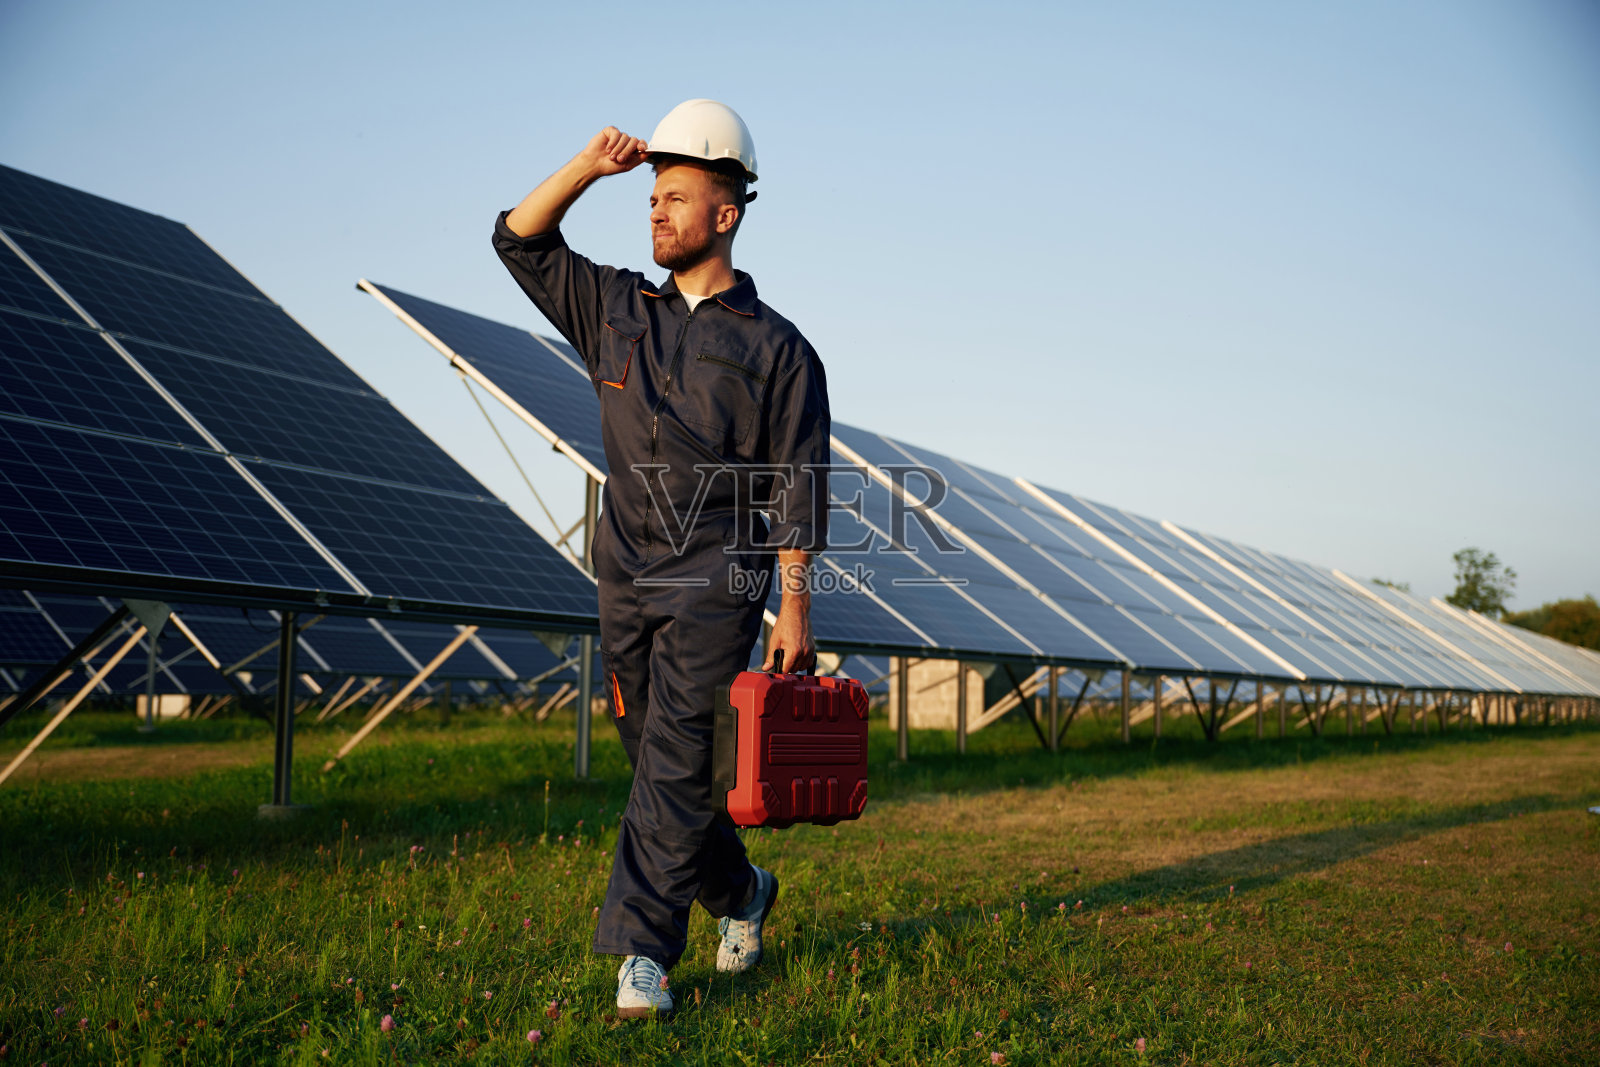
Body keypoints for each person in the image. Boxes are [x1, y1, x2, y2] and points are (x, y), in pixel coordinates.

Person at [493, 99, 830, 1018]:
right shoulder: (612, 307)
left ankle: (643, 951)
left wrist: (794, 609)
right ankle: (743, 891)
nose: (656, 211)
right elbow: (519, 241)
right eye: (652, 197)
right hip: (624, 569)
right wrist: (585, 166)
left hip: (721, 574)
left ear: (726, 214)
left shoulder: (780, 349)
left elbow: (797, 484)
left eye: (676, 197)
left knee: (678, 753)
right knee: (659, 759)